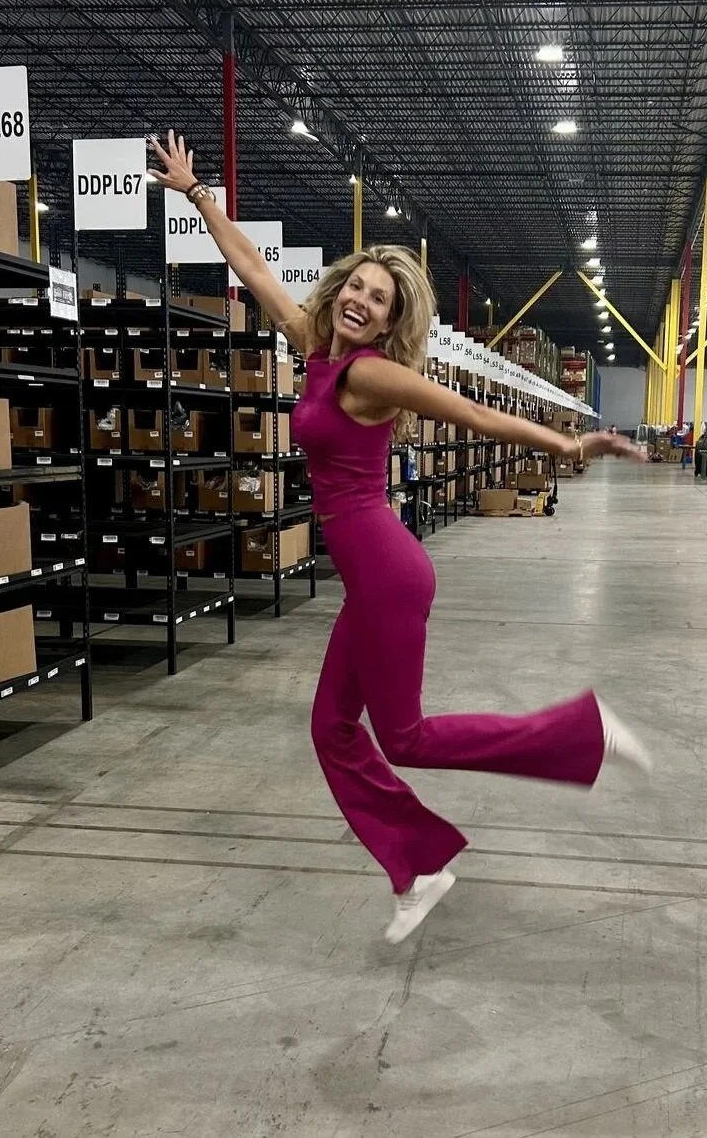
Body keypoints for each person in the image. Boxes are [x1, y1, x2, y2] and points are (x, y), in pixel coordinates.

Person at [150, 133, 653, 943]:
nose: (358, 299)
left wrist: (566, 444)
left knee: (406, 736)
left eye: (377, 298)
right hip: (370, 573)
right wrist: (197, 193)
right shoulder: (314, 349)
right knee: (330, 729)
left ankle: (578, 735)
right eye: (354, 285)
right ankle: (417, 862)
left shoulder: (369, 374)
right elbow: (252, 269)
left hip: (386, 571)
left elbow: (478, 416)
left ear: (391, 319)